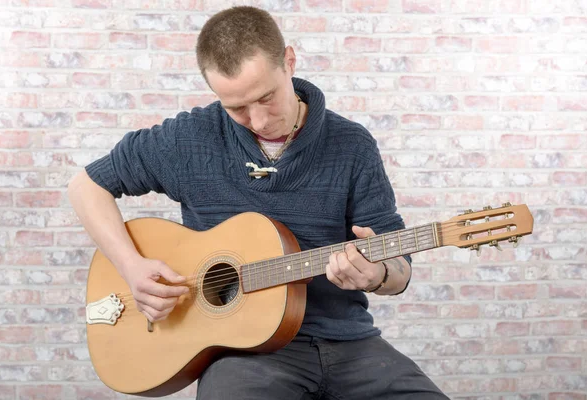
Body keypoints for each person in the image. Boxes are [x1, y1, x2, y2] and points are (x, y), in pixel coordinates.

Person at [68, 6, 449, 399]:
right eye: (236, 109)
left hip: (349, 343)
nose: (259, 121)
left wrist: (380, 275)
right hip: (244, 355)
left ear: (289, 61)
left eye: (267, 98)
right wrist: (131, 268)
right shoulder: (188, 139)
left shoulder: (352, 144)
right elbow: (86, 187)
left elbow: (398, 265)